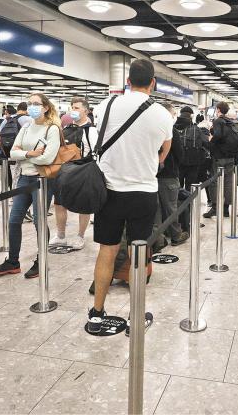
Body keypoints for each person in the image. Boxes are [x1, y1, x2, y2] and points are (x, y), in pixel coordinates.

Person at [86, 59, 172, 335]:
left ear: (127, 81)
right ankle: (135, 315)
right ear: (153, 83)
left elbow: (94, 140)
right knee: (138, 253)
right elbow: (162, 150)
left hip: (108, 190)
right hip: (143, 192)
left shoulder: (105, 106)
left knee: (106, 250)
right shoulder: (161, 114)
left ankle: (97, 312)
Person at [0, 93, 61, 279]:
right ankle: (13, 261)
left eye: (36, 103)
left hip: (42, 180)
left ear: (46, 107)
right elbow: (12, 152)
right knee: (14, 220)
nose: (32, 107)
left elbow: (48, 158)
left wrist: (24, 153)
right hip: (23, 178)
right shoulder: (27, 127)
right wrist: (30, 154)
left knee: (39, 220)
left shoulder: (51, 129)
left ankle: (41, 259)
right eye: (30, 104)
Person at [50, 97, 94, 251]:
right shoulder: (65, 129)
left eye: (76, 108)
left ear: (86, 111)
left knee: (84, 206)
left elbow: (96, 154)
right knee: (60, 204)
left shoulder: (92, 131)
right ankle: (60, 235)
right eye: (72, 108)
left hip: (83, 173)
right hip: (64, 172)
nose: (73, 111)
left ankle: (80, 236)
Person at [155, 103, 189, 247]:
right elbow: (180, 154)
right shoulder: (171, 130)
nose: (175, 116)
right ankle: (176, 235)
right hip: (169, 175)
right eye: (174, 114)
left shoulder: (152, 128)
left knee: (155, 210)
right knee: (171, 207)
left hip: (152, 174)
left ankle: (157, 239)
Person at [203, 101, 238, 218]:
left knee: (214, 182)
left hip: (219, 157)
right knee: (228, 182)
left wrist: (210, 142)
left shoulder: (218, 121)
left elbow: (217, 135)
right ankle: (226, 209)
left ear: (218, 109)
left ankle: (214, 207)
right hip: (231, 157)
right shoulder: (230, 122)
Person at [177, 106, 208, 191]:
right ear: (191, 116)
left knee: (178, 186)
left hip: (178, 162)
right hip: (194, 162)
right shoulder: (196, 129)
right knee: (190, 186)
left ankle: (179, 203)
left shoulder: (173, 128)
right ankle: (190, 203)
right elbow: (206, 143)